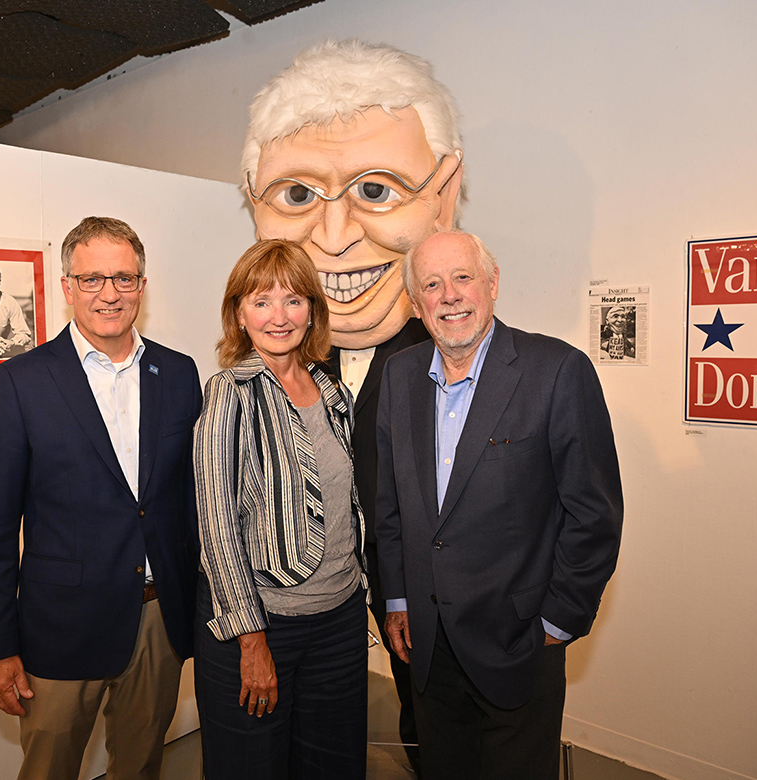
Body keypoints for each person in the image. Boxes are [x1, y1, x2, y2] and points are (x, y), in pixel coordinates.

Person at [242, 40, 465, 770]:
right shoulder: (274, 365)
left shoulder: (457, 357)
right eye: (296, 196)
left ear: (445, 194)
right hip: (314, 601)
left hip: (426, 594)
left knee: (439, 722)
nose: (335, 239)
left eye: (376, 190)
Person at [376, 231, 624, 780]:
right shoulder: (400, 374)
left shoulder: (557, 370)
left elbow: (594, 514)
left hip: (519, 641)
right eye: (431, 285)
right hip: (428, 645)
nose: (449, 295)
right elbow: (391, 502)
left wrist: (557, 623)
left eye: (462, 278)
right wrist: (397, 598)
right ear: (415, 304)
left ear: (492, 284)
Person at [0, 216, 202, 780]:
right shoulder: (20, 382)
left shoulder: (178, 373)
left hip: (157, 620)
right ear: (67, 287)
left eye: (123, 278)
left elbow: (191, 503)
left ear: (142, 286)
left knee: (141, 767)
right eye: (92, 279)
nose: (109, 293)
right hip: (60, 630)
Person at [193, 239, 368, 779]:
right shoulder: (230, 393)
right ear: (239, 315)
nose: (279, 316)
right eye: (262, 301)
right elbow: (217, 526)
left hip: (339, 620)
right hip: (264, 626)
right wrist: (252, 641)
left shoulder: (331, 390)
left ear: (312, 310)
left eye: (293, 300)